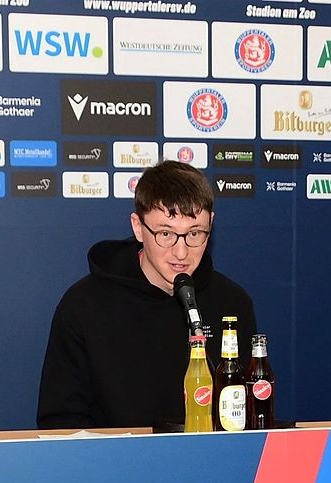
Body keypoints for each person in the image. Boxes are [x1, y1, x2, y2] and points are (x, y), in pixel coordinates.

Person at [37, 160, 256, 428]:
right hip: (115, 465)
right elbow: (60, 423)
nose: (181, 252)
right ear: (138, 227)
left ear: (211, 224)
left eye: (195, 233)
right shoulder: (83, 306)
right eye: (165, 233)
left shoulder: (232, 304)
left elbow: (245, 414)